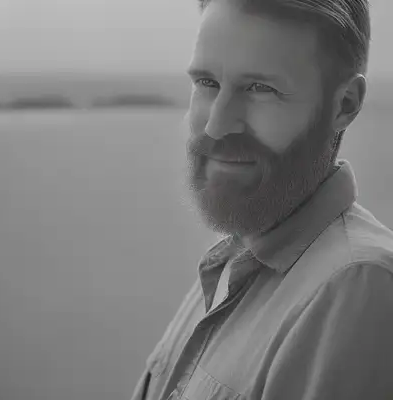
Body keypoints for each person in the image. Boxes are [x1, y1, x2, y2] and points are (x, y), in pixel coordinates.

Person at [131, 0, 393, 399]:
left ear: (344, 104)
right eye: (207, 83)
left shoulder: (357, 287)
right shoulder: (235, 256)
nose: (217, 125)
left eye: (260, 89)